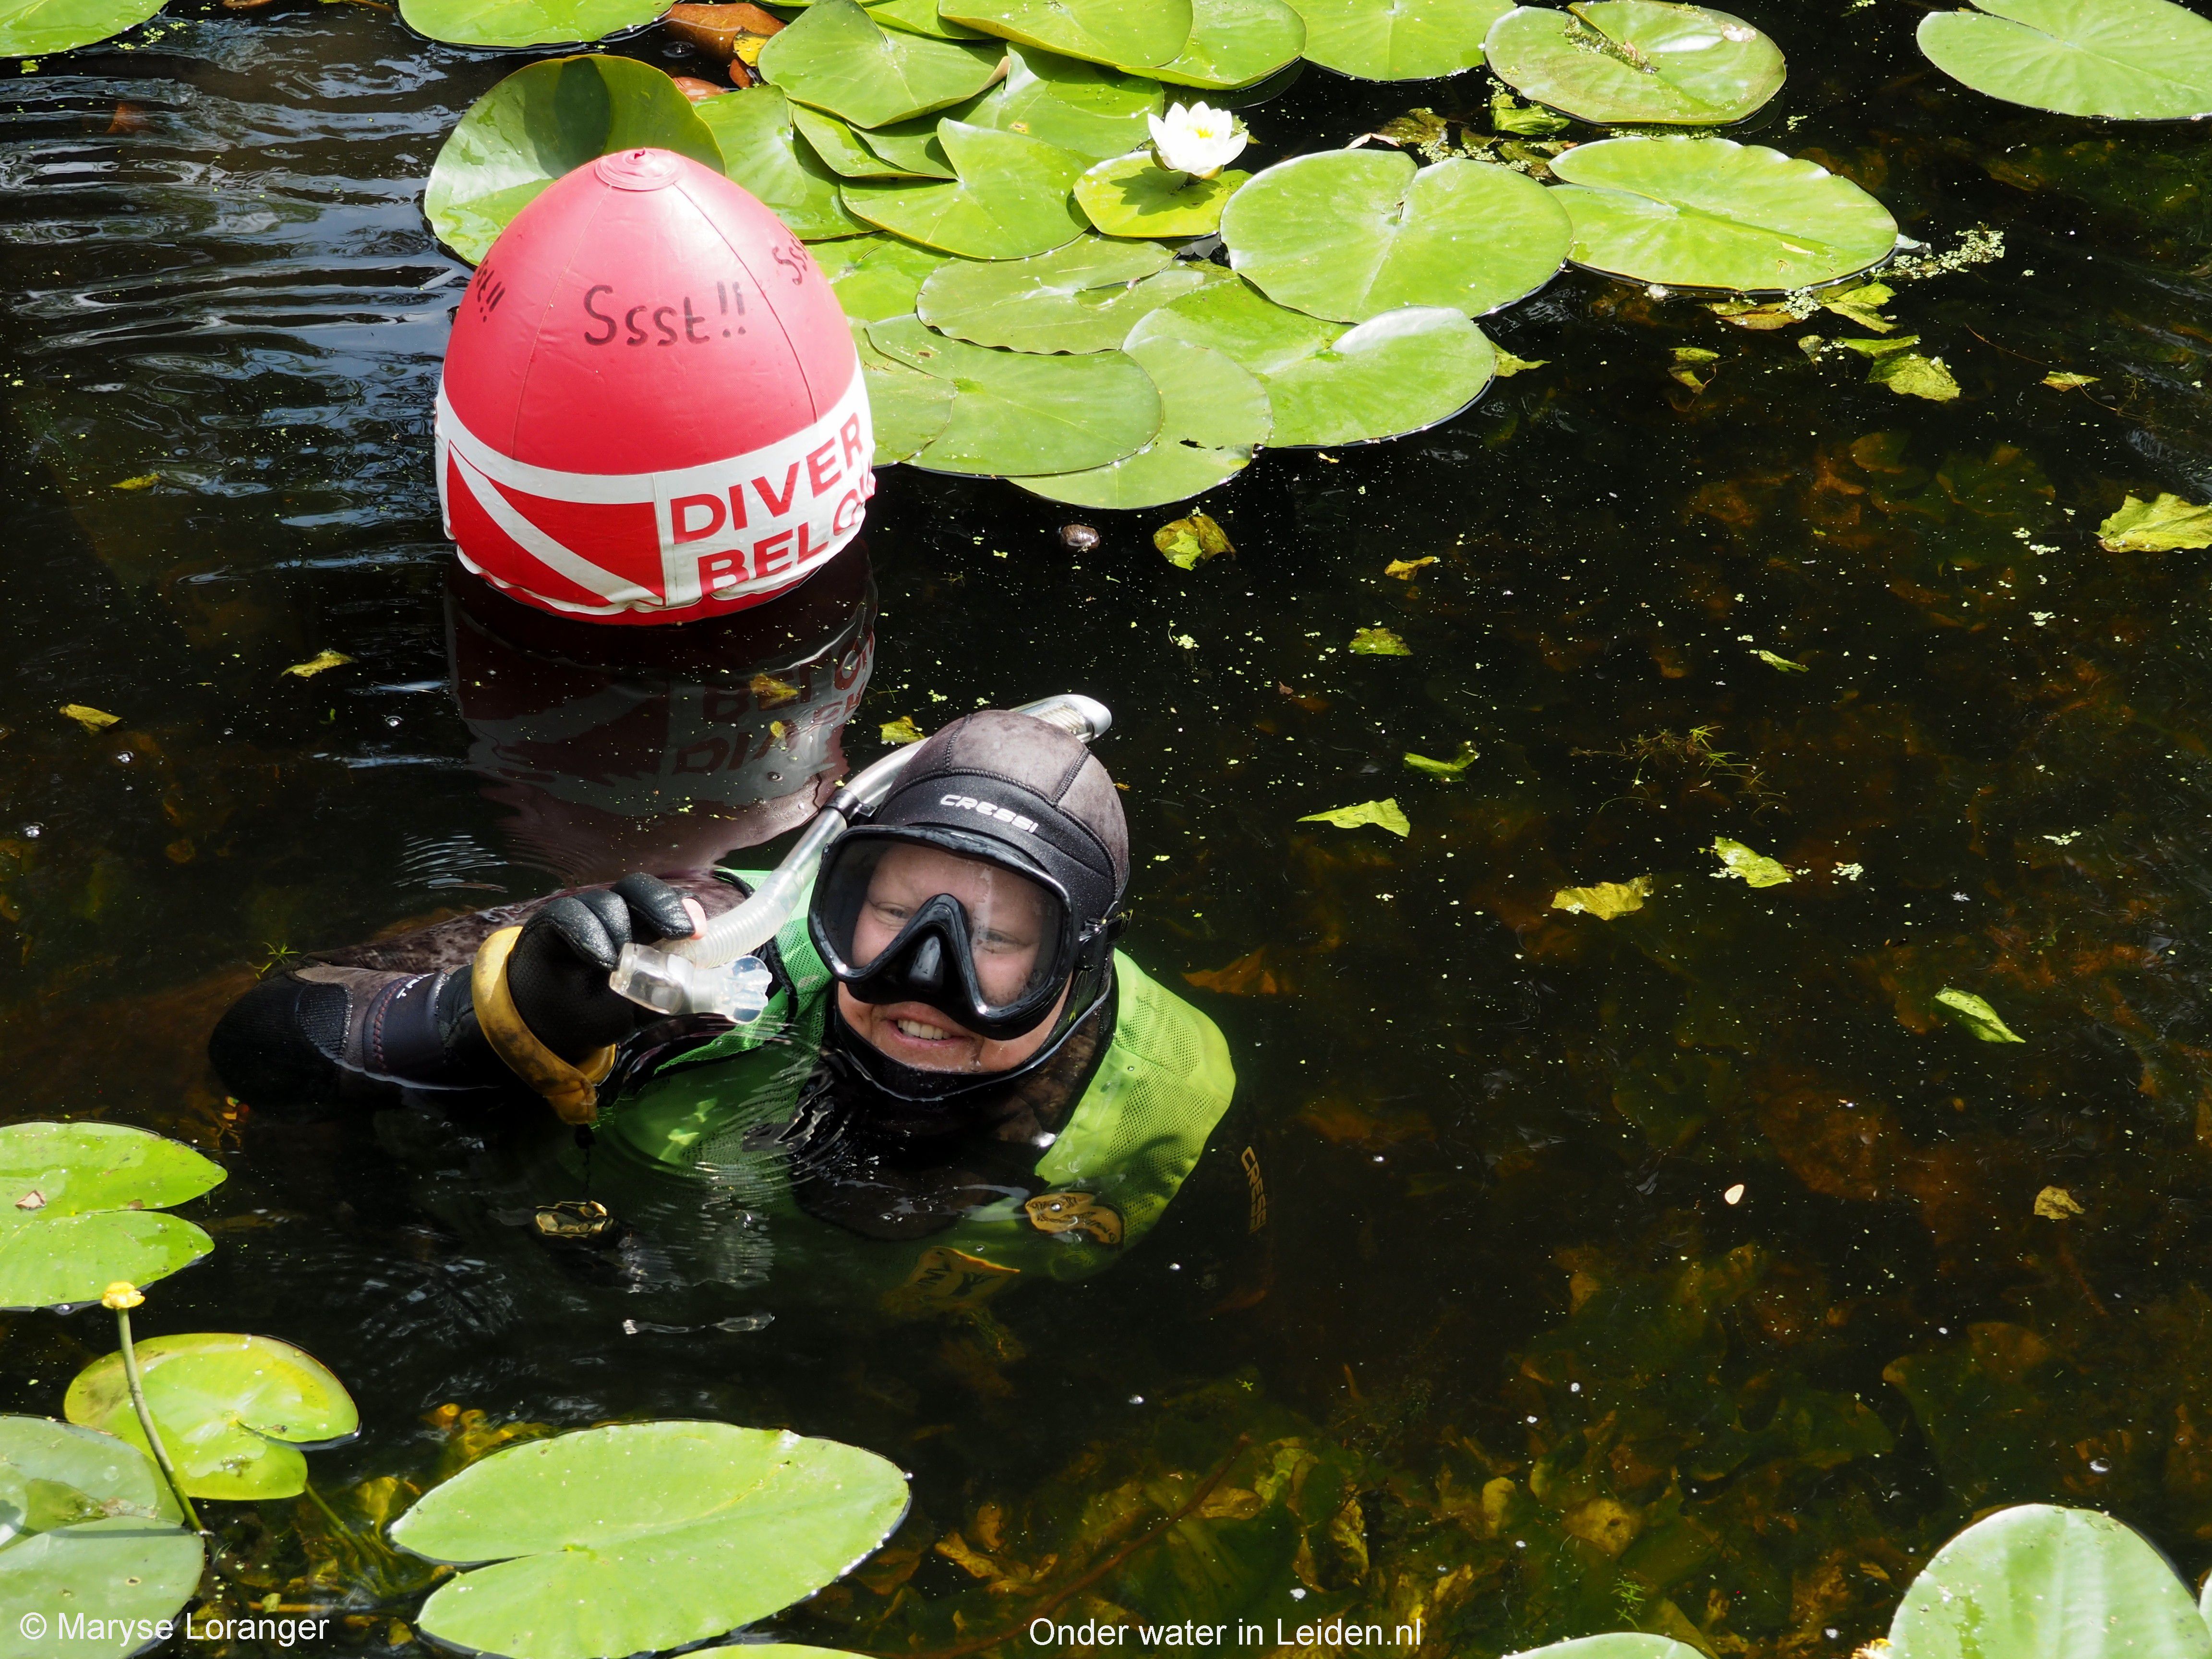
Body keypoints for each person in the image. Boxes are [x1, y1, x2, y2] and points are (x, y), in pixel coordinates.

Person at [210, 708, 1264, 1316]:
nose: (919, 982)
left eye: (995, 944)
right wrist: (504, 1010)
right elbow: (262, 1045)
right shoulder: (705, 955)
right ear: (830, 897)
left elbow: (1194, 1299)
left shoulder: (1176, 1082)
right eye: (888, 915)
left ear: (1080, 955)